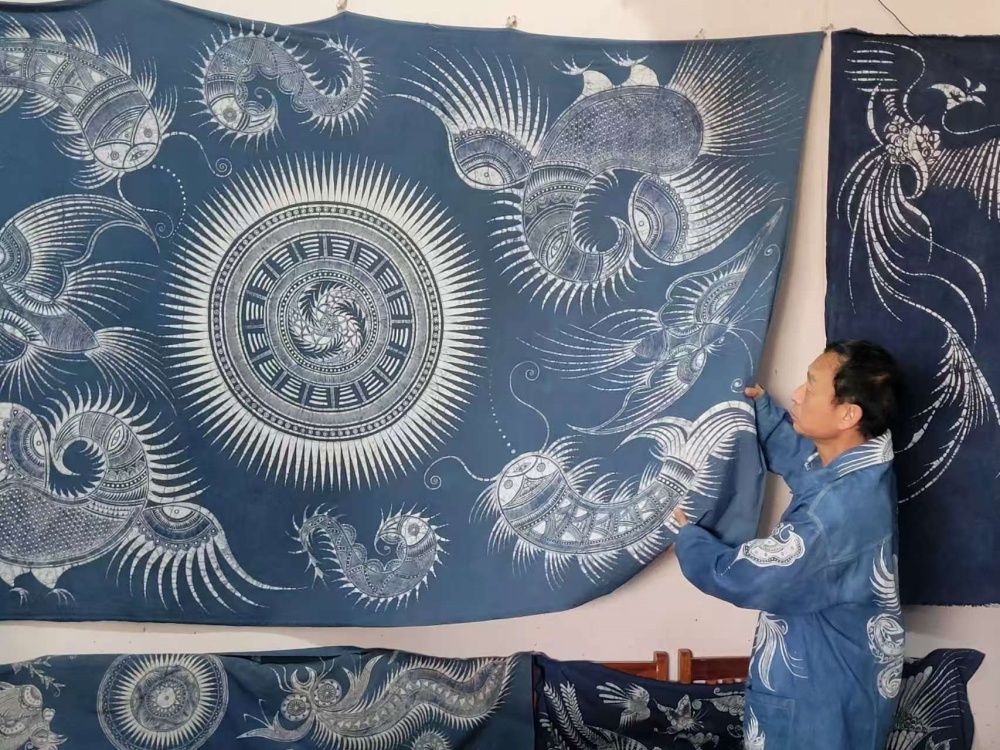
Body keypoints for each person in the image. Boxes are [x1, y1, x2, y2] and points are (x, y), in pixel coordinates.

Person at [670, 340, 904, 750]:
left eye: (810, 387)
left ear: (848, 414)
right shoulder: (861, 469)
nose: (796, 394)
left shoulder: (837, 512)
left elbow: (750, 578)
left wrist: (690, 539)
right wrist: (764, 413)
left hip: (819, 699)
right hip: (847, 683)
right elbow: (807, 464)